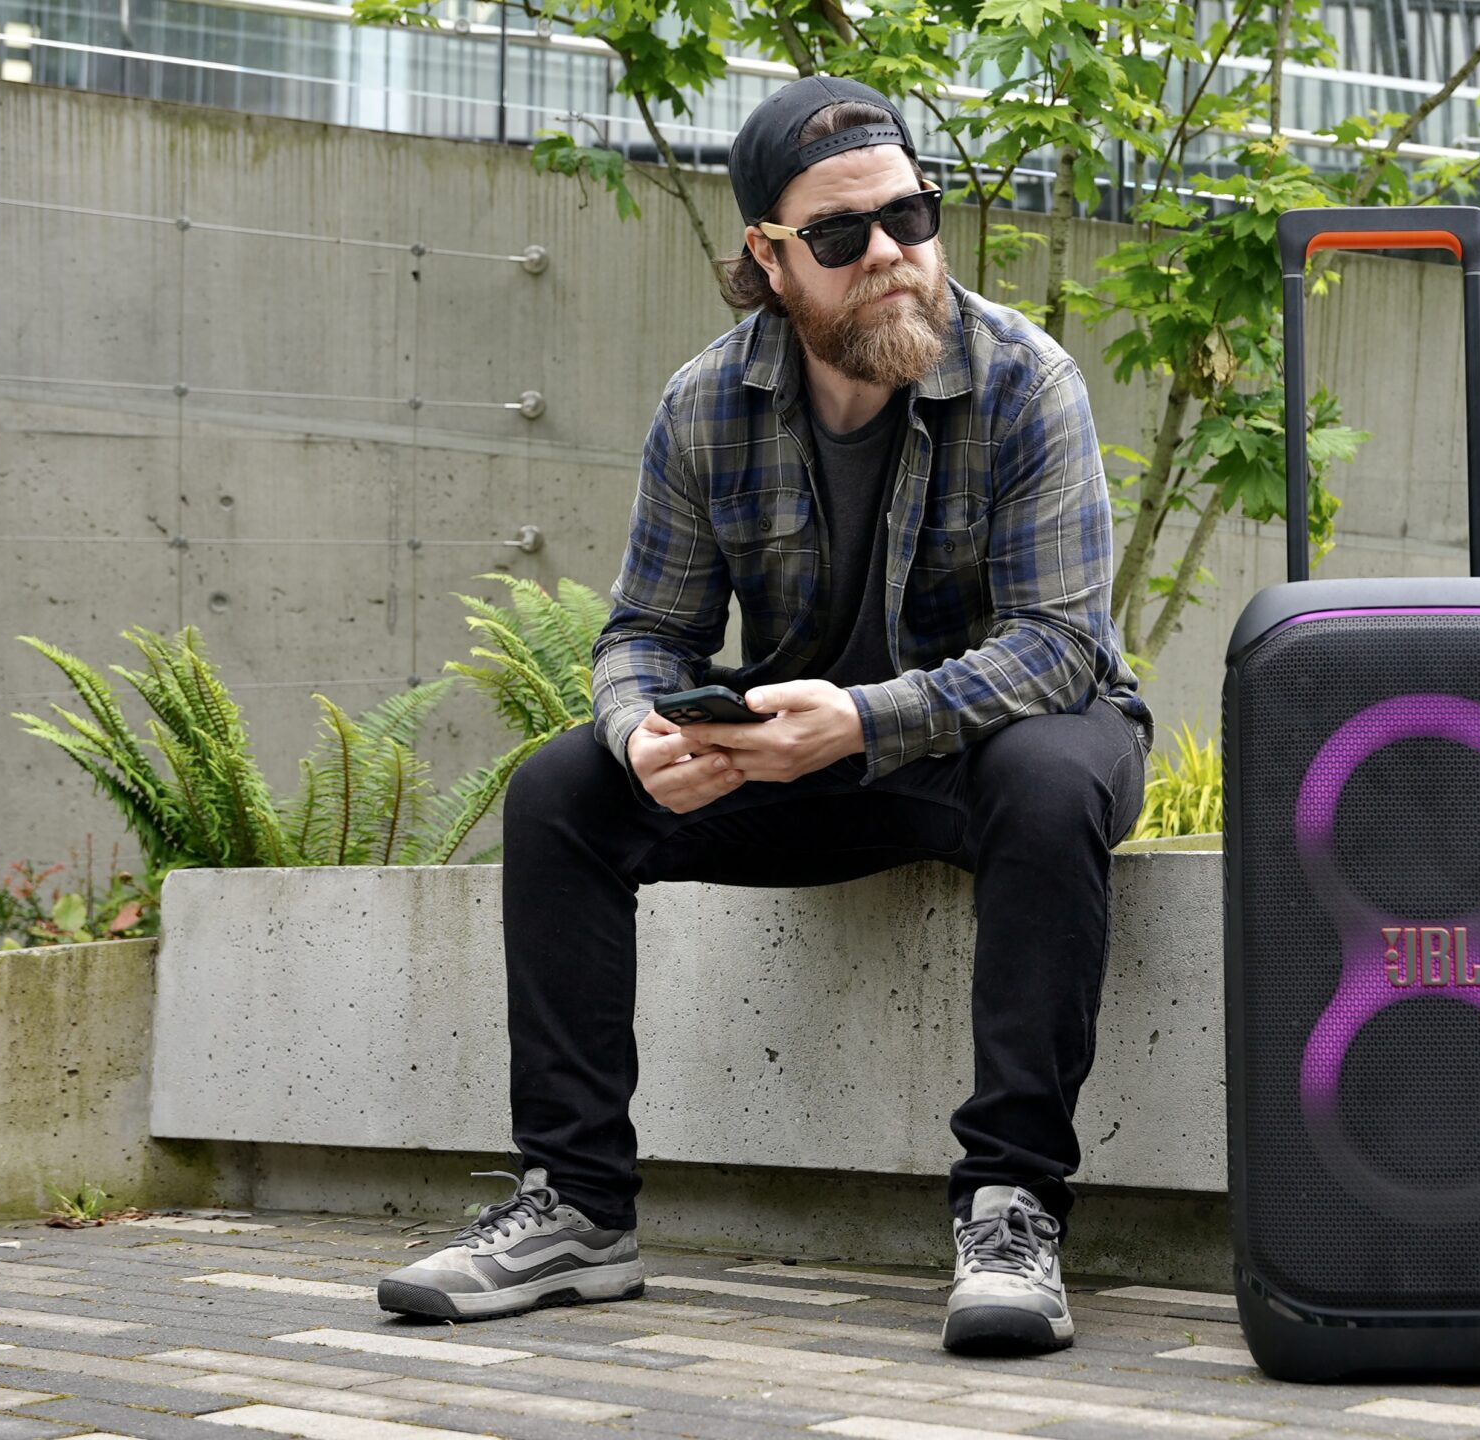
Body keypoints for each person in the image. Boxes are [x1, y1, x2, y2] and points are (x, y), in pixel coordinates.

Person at [374, 75, 1153, 1357]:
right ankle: (578, 1210)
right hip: (807, 759)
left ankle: (1012, 1207)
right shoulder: (704, 405)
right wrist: (643, 734)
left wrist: (858, 720)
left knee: (1052, 773)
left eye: (912, 215)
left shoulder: (1024, 380)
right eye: (844, 237)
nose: (894, 257)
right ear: (770, 257)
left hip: (990, 749)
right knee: (564, 791)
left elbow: (1061, 647)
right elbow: (643, 634)